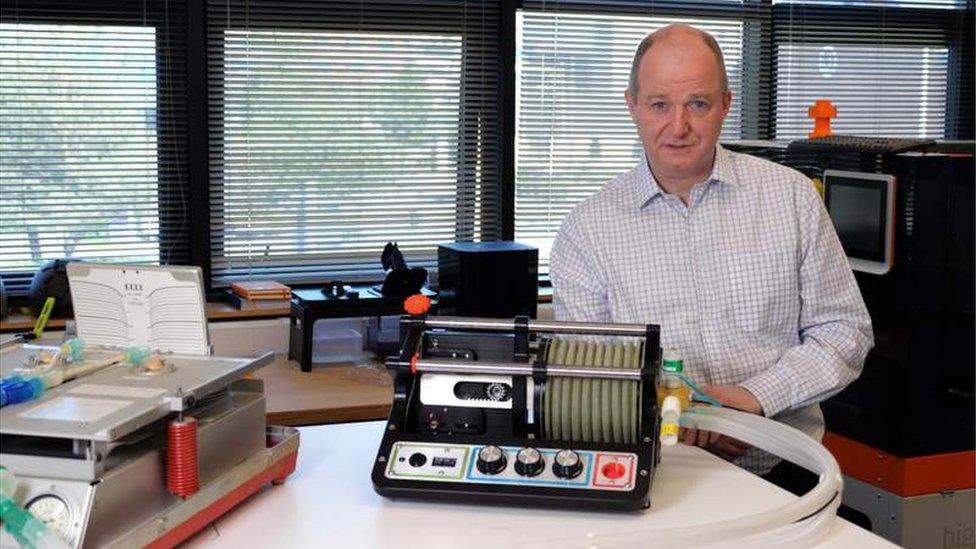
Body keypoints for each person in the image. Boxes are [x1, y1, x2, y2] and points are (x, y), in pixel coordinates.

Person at [549, 24, 874, 481]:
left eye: (697, 104)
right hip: (656, 476)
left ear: (725, 105)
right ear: (633, 107)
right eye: (660, 104)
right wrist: (683, 417)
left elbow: (845, 331)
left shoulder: (792, 198)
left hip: (786, 470)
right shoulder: (586, 231)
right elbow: (589, 376)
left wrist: (755, 399)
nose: (678, 127)